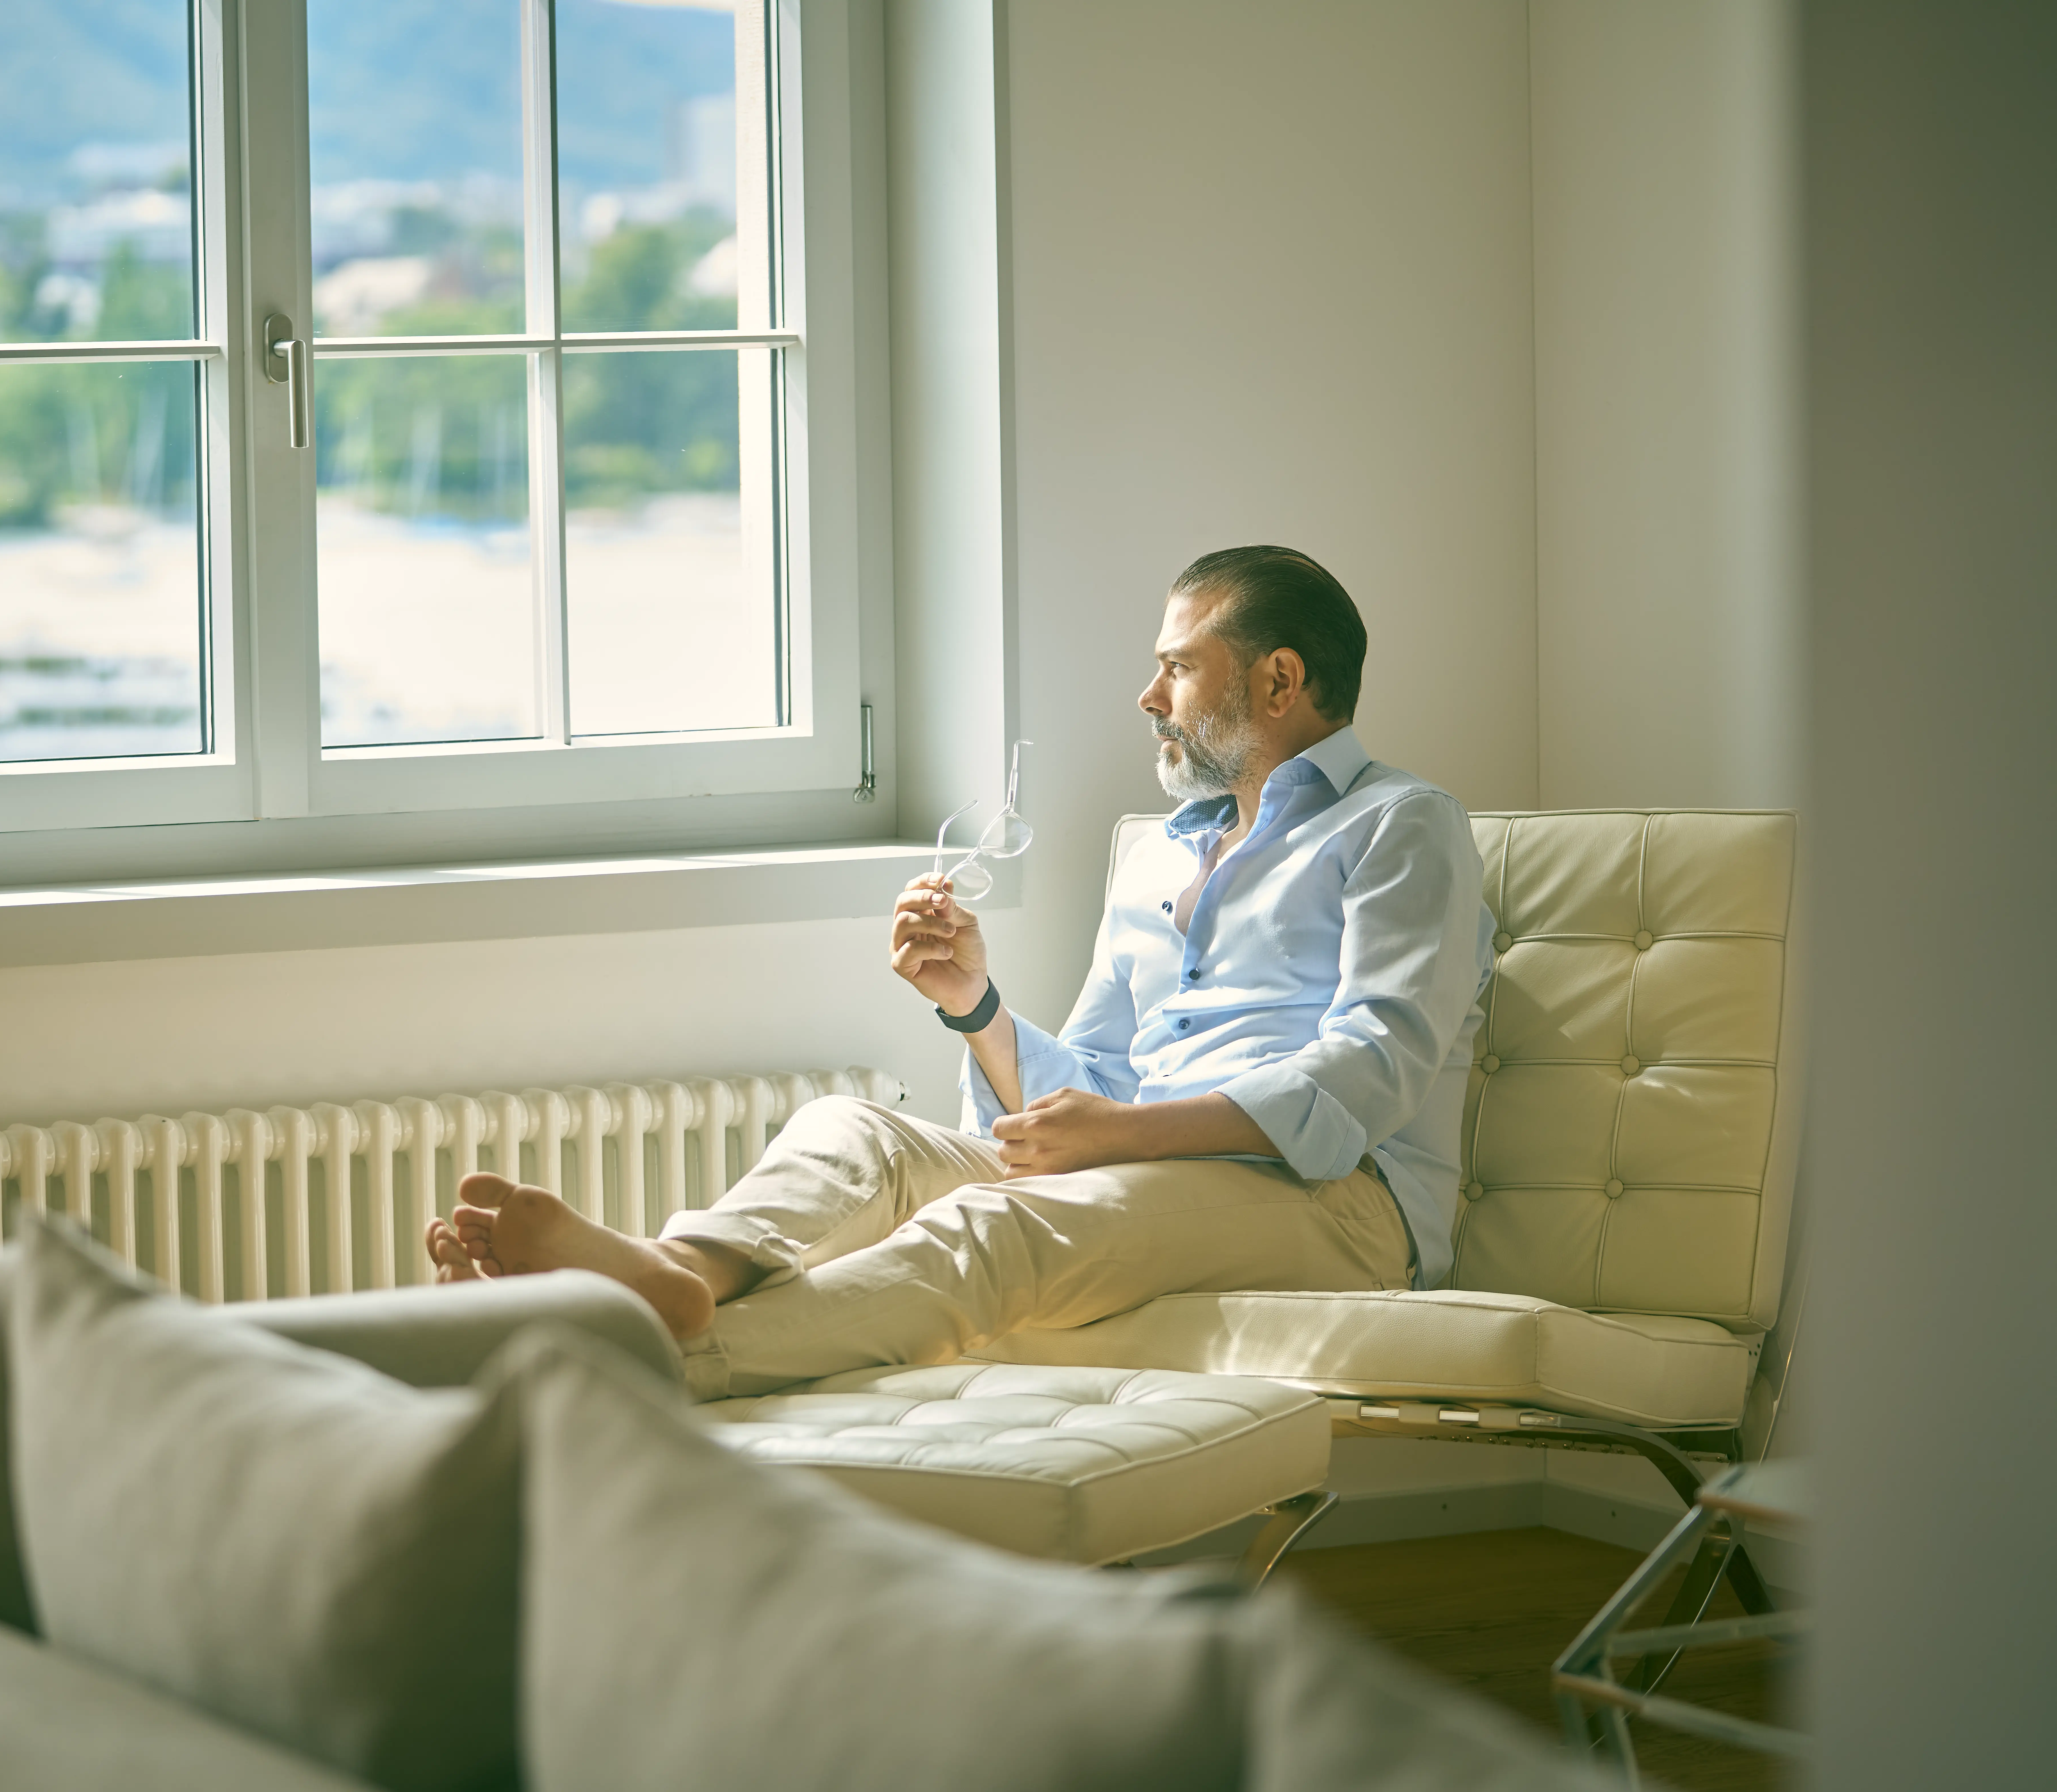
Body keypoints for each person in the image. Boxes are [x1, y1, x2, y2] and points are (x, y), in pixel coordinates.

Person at [425, 545, 1496, 1400]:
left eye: (1176, 664)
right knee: (854, 1134)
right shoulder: (1163, 851)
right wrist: (975, 1007)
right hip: (1147, 1167)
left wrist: (1125, 1136)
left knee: (991, 1227)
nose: (1147, 694)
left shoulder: (1403, 825)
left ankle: (626, 1351)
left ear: (1278, 678)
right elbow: (1093, 1087)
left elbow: (1373, 1069)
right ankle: (678, 1277)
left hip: (1339, 1208)